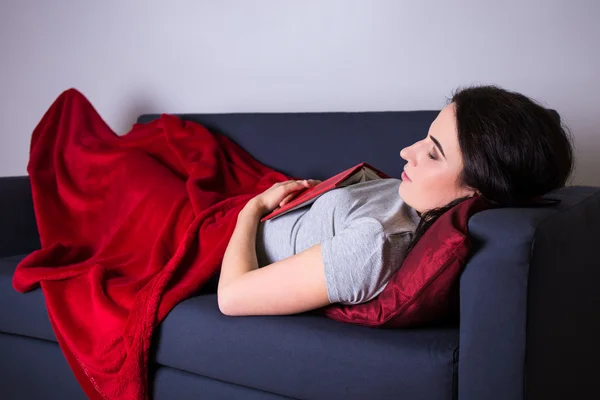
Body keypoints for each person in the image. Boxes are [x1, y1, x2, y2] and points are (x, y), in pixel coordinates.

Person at [216, 85, 575, 317]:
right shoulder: (419, 198)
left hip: (231, 235)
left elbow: (231, 297)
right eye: (426, 138)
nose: (406, 152)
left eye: (434, 155)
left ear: (477, 191)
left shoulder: (374, 245)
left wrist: (252, 209)